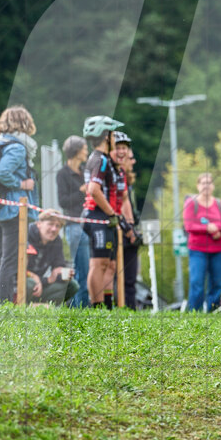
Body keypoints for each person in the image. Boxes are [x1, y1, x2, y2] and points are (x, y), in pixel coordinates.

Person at [0, 106, 39, 304]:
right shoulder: (17, 147)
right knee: (9, 260)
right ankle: (5, 304)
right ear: (25, 123)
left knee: (0, 259)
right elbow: (2, 172)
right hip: (12, 210)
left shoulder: (0, 144)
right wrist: (21, 184)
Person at [80, 115, 125, 308]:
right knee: (98, 264)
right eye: (113, 135)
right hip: (97, 216)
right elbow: (93, 190)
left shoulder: (103, 159)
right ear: (106, 136)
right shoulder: (100, 160)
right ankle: (96, 306)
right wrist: (111, 213)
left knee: (109, 264)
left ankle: (107, 304)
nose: (115, 139)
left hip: (103, 217)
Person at [183, 172, 221, 312]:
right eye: (203, 183)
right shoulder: (191, 203)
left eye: (209, 183)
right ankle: (194, 312)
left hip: (218, 249)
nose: (206, 186)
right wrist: (208, 228)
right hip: (197, 250)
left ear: (213, 186)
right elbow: (189, 226)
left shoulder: (220, 204)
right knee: (197, 282)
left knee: (217, 283)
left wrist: (216, 229)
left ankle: (213, 311)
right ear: (198, 186)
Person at [56, 135, 90, 307]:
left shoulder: (85, 172)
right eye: (84, 149)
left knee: (86, 271)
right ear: (76, 151)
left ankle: (82, 308)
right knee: (81, 272)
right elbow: (63, 201)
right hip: (74, 226)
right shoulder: (62, 174)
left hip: (88, 225)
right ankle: (81, 309)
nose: (86, 152)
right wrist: (81, 191)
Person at [25, 209, 78, 306]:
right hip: (24, 281)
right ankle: (22, 306)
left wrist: (63, 272)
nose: (54, 229)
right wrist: (36, 278)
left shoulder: (57, 241)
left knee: (72, 285)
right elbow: (15, 268)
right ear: (39, 224)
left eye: (58, 226)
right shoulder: (26, 235)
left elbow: (58, 266)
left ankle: (43, 306)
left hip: (41, 284)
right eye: (50, 224)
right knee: (30, 283)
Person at [113, 132, 141, 309]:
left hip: (128, 228)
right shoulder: (111, 173)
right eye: (119, 148)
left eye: (126, 149)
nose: (132, 160)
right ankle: (120, 307)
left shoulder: (126, 178)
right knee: (116, 275)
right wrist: (127, 228)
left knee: (130, 277)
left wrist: (132, 228)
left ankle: (130, 309)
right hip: (117, 228)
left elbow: (127, 204)